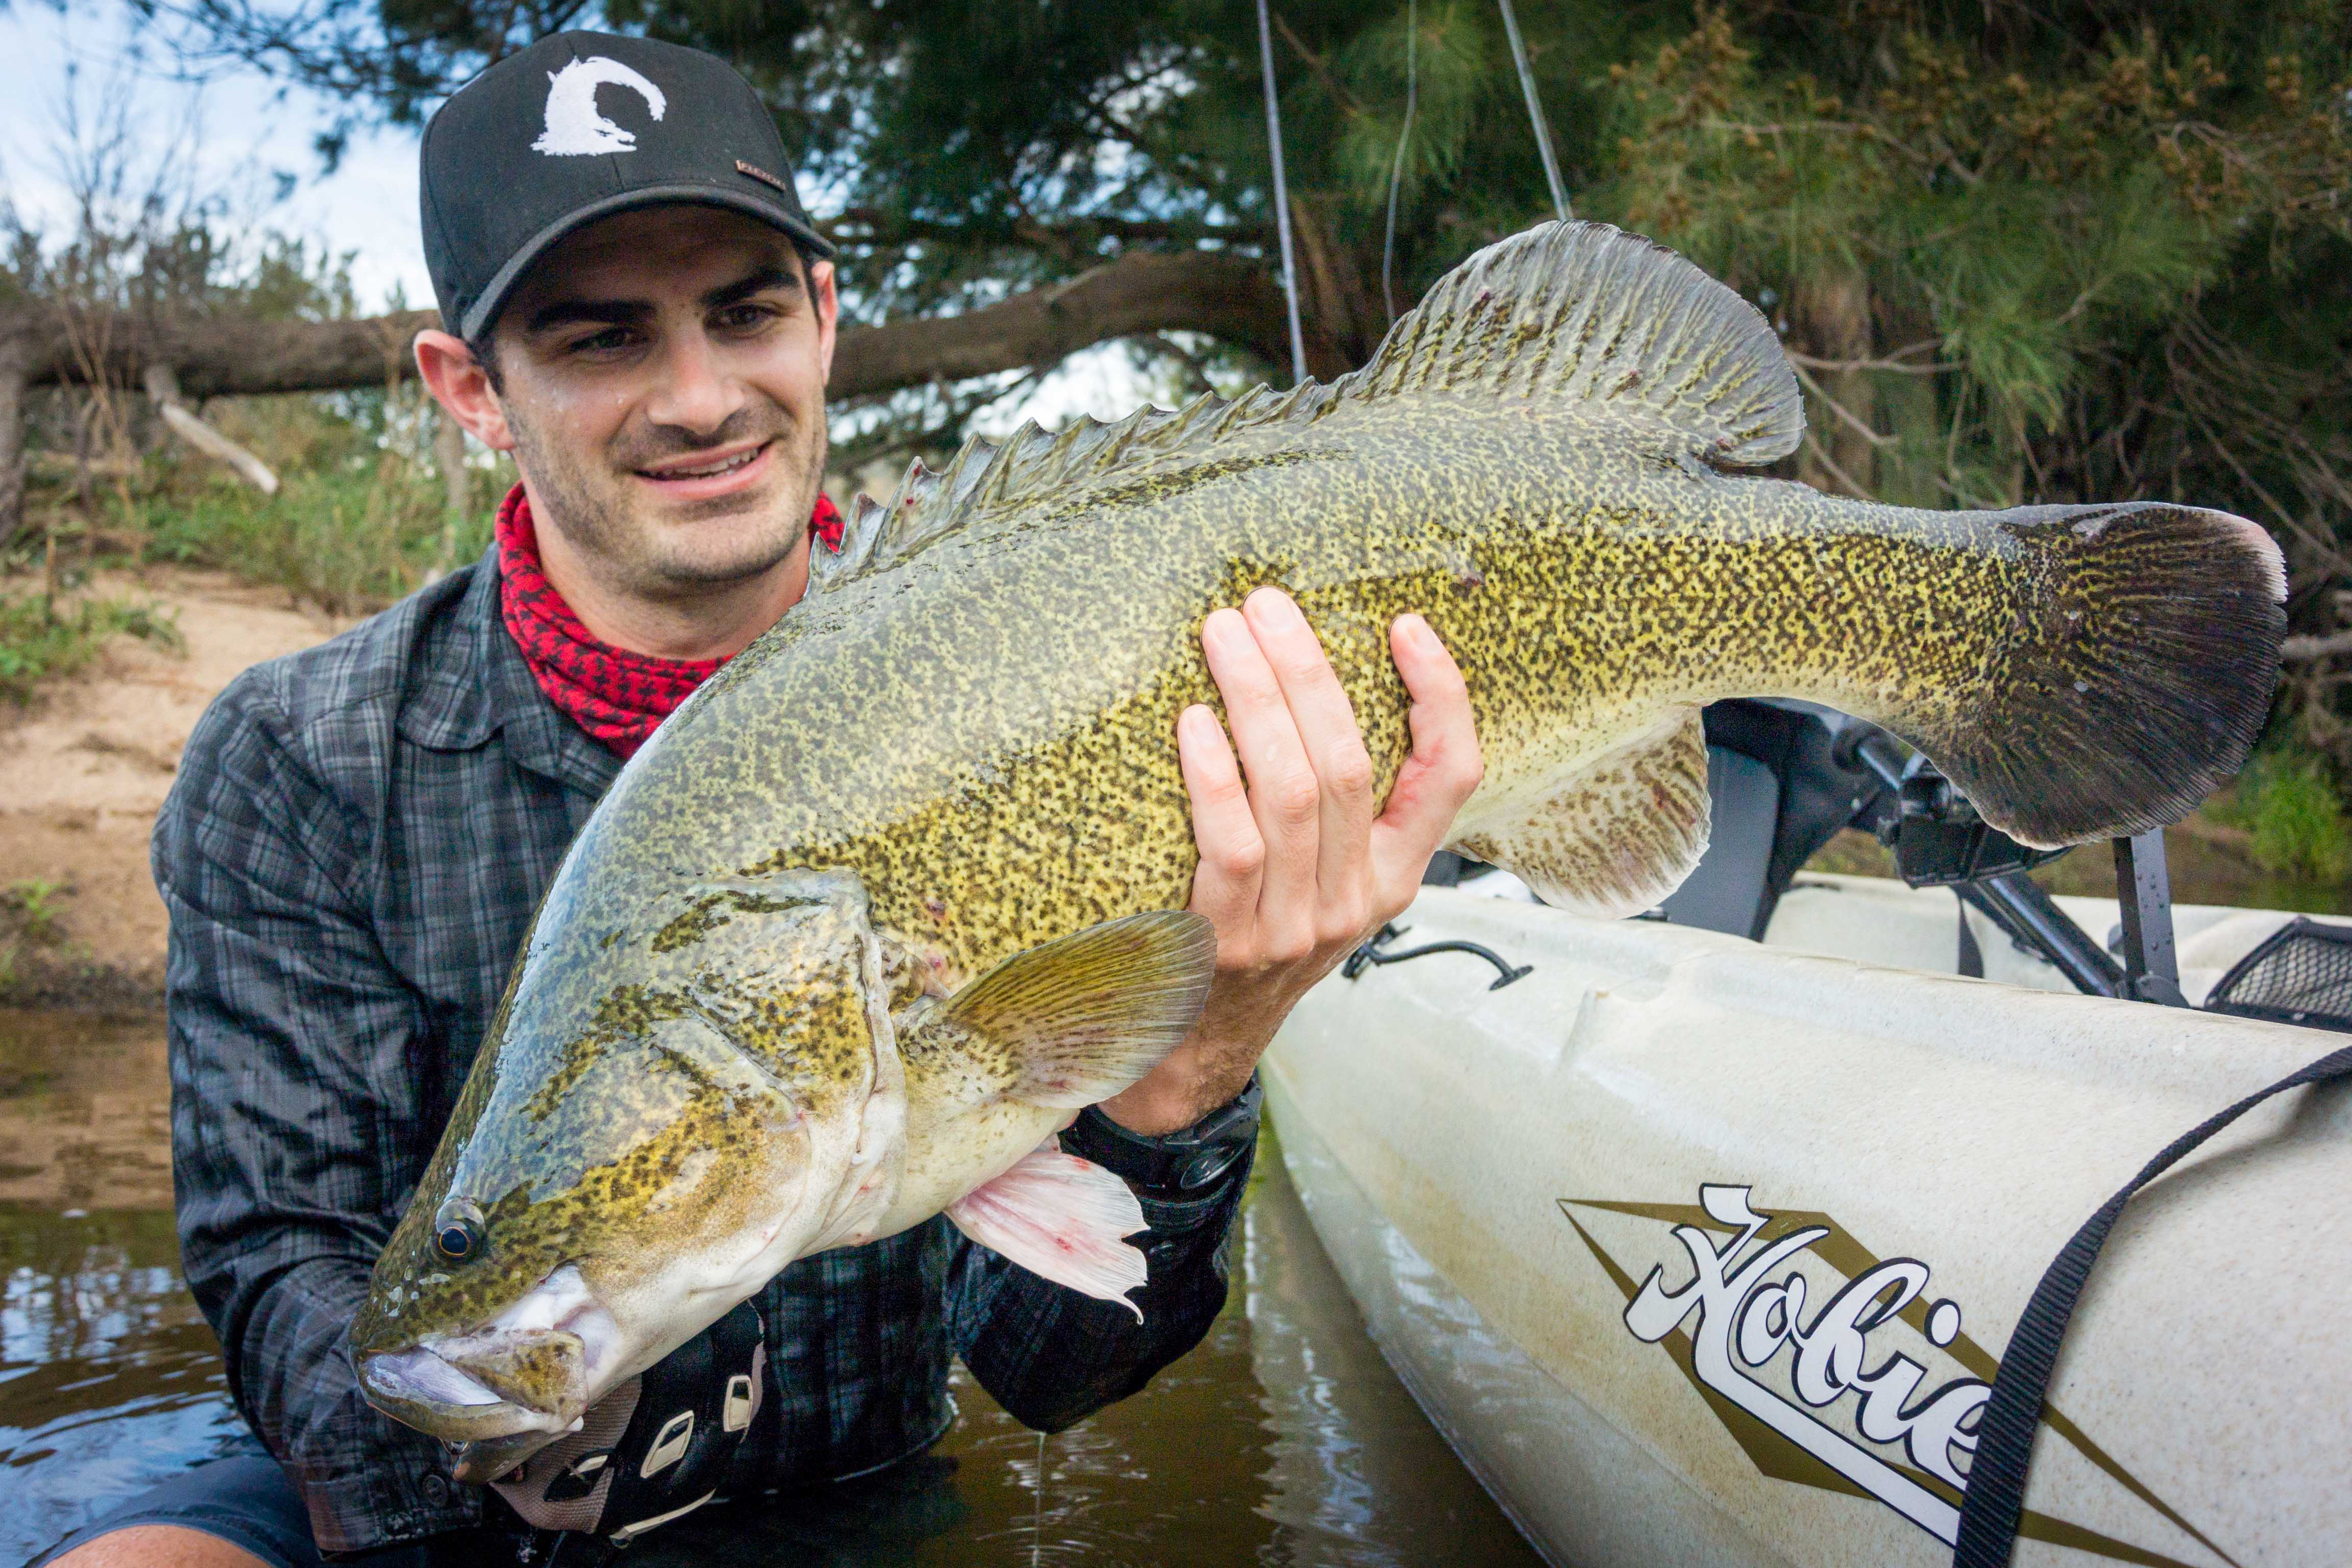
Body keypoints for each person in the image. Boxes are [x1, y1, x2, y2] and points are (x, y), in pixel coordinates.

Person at [41, 30, 1482, 1568]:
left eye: (744, 313)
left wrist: (1197, 1062)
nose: (700, 395)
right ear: (473, 389)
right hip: (424, 1493)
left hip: (834, 1503)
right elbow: (287, 1266)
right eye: (602, 339)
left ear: (824, 315)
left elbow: (1055, 1377)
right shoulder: (300, 759)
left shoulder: (1049, 678)